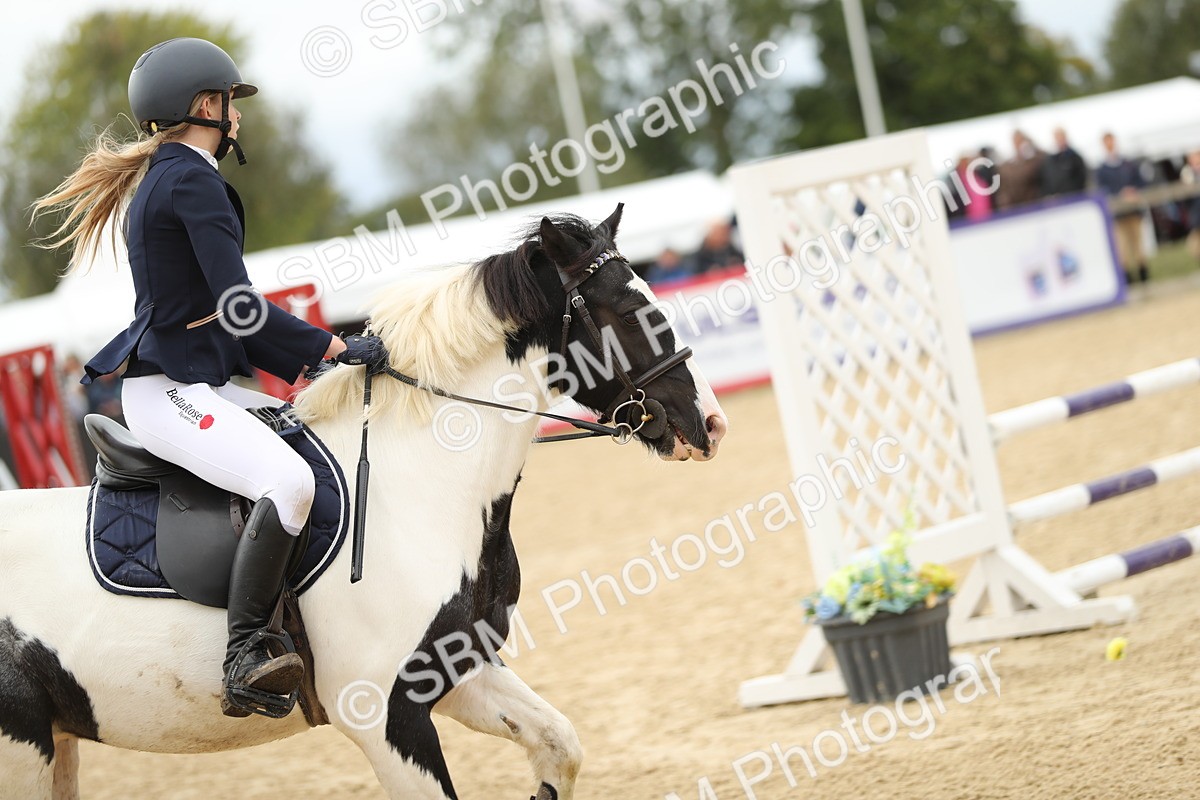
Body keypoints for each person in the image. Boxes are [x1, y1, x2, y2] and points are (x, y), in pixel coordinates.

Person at [32, 38, 380, 718]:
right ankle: (247, 649)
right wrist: (331, 344)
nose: (238, 118)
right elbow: (240, 307)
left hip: (193, 383)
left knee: (307, 440)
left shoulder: (166, 176)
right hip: (169, 395)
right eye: (230, 104)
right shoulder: (189, 179)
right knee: (290, 482)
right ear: (204, 106)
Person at [1095, 132, 1148, 283]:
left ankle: (1144, 276)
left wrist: (1133, 191)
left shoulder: (1127, 164)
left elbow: (1141, 182)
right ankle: (1128, 280)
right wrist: (1119, 194)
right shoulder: (1102, 169)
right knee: (1122, 248)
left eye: (1111, 141)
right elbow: (1102, 190)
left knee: (1138, 245)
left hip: (1133, 211)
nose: (1110, 144)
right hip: (1117, 214)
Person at [995, 130, 1045, 209]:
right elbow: (1004, 188)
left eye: (1020, 140)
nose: (1018, 144)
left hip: (1033, 204)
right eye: (1016, 141)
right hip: (1015, 207)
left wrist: (1032, 147)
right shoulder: (1007, 166)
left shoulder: (1035, 159)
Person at [1041, 127, 1088, 198]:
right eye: (1057, 137)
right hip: (1058, 200)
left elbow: (1081, 178)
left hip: (1074, 197)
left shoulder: (1075, 157)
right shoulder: (1050, 160)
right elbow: (1047, 180)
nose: (1059, 140)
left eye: (1061, 137)